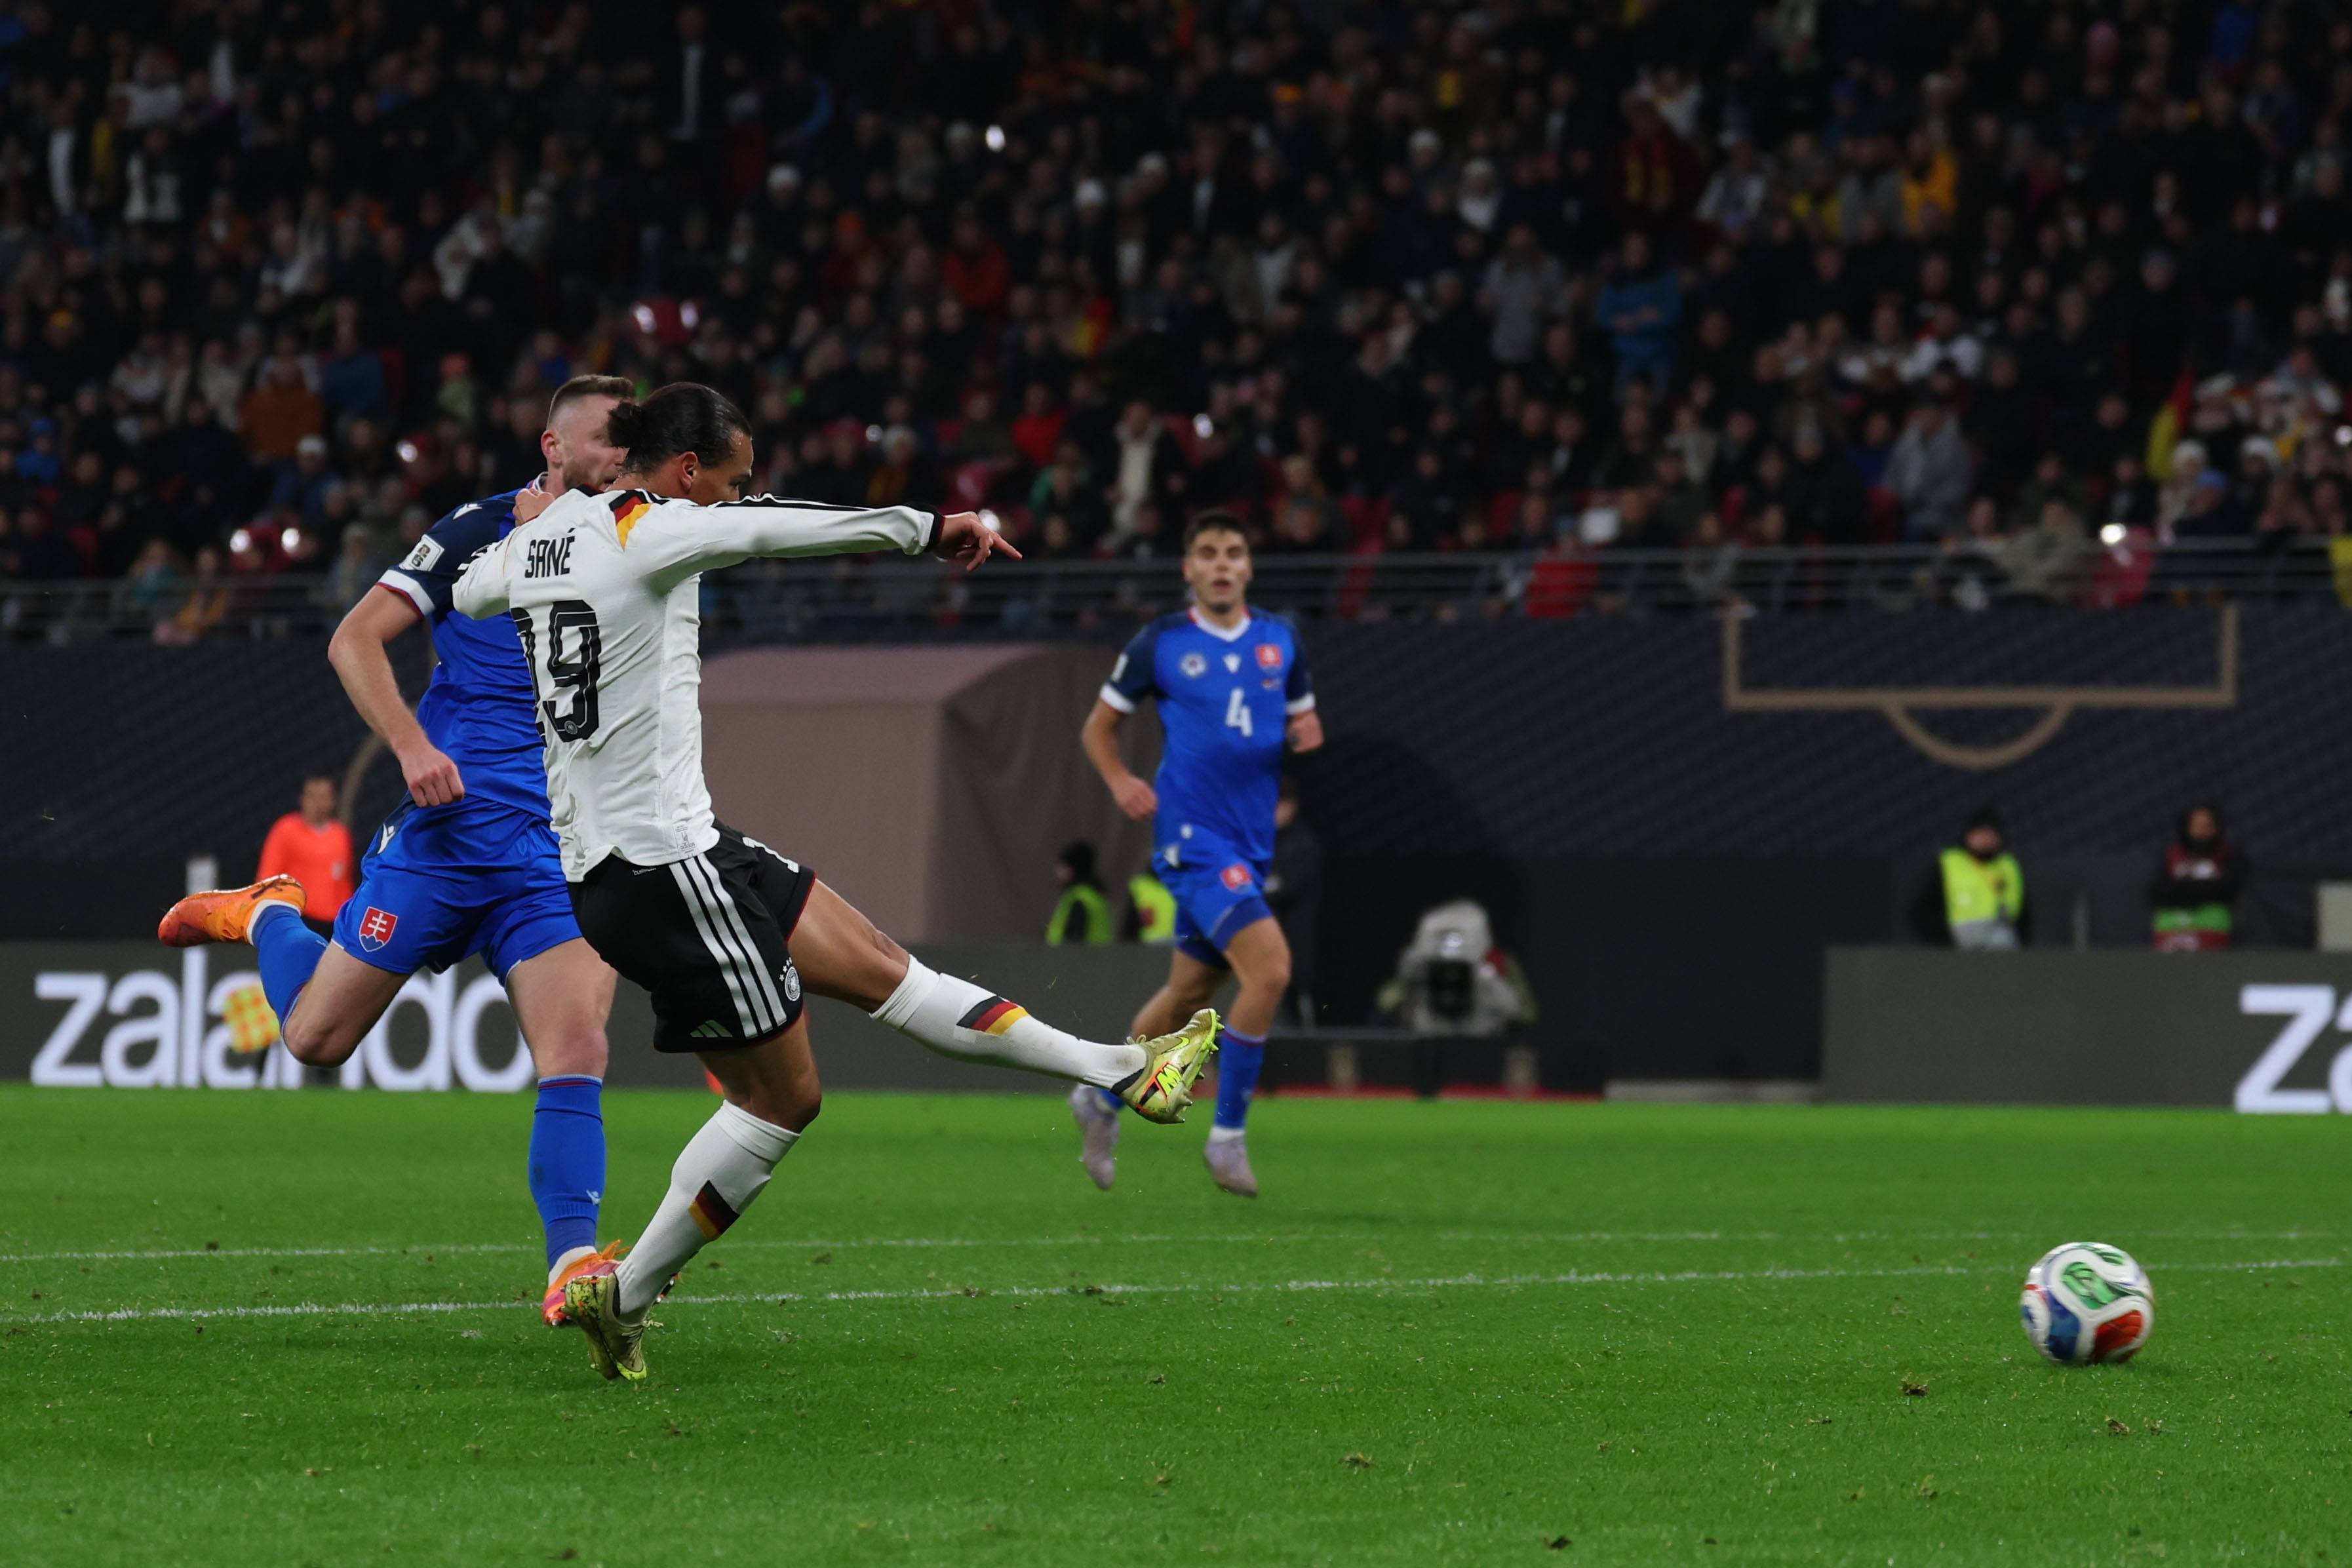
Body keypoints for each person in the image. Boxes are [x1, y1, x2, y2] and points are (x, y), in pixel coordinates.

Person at [453, 383, 1218, 1382]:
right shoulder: (653, 530)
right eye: (733, 482)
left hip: (679, 849)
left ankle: (1123, 1070)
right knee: (782, 1102)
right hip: (659, 870)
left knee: (886, 969)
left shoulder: (545, 541)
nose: (741, 500)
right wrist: (926, 528)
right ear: (687, 471)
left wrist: (536, 530)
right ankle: (625, 1295)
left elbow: (469, 592)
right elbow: (779, 533)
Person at [157, 375, 637, 1331]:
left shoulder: (641, 536)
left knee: (578, 1046)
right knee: (315, 1041)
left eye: (633, 438)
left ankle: (573, 1264)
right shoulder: (474, 531)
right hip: (449, 834)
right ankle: (273, 912)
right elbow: (354, 639)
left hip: (559, 846)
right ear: (553, 446)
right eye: (607, 437)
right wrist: (413, 748)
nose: (623, 452)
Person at [1070, 509, 1325, 1197]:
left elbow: (1299, 717)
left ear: (1248, 567)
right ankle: (1228, 1138)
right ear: (1189, 568)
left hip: (1251, 841)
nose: (1221, 564)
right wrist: (1120, 780)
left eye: (1233, 552)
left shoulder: (1280, 639)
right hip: (1193, 838)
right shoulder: (1162, 643)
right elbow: (1098, 728)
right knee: (1270, 970)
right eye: (1208, 553)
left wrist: (1306, 729)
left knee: (1189, 992)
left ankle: (1097, 1099)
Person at [1908, 805, 2029, 949]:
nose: (1986, 839)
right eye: (1981, 833)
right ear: (1968, 835)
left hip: (2002, 947)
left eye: (1991, 834)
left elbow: (2025, 916)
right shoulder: (1949, 864)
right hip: (1960, 949)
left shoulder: (2009, 866)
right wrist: (1944, 946)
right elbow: (1920, 911)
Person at [256, 774, 357, 933]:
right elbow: (267, 877)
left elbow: (343, 880)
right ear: (302, 799)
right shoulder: (286, 830)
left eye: (323, 797)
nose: (317, 803)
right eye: (312, 797)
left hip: (331, 922)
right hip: (296, 916)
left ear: (333, 801)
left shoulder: (340, 835)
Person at [1263, 777, 1323, 1025]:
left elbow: (1284, 887)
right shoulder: (1256, 844)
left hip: (1292, 953)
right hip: (1258, 956)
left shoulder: (1302, 845)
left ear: (1292, 806)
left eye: (1279, 803)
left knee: (1296, 1019)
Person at [2149, 802, 2248, 951]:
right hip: (2169, 933)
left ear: (2217, 828)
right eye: (2197, 826)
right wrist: (2201, 889)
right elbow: (2157, 891)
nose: (2202, 831)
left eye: (2207, 826)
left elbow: (2228, 889)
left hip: (2212, 933)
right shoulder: (2171, 856)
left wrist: (2184, 889)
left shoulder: (2230, 856)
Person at [1045, 840, 1113, 945]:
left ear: (1072, 869)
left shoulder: (1079, 900)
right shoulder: (1095, 897)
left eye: (1062, 867)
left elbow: (1073, 941)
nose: (1057, 872)